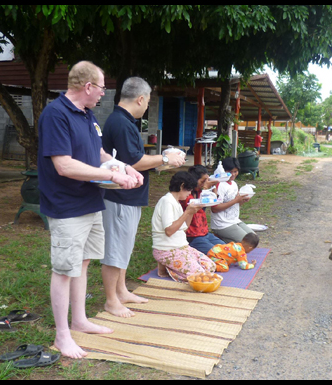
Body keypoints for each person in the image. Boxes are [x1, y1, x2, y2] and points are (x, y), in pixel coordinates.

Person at [37, 61, 144, 359]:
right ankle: (62, 336)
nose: (102, 93)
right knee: (63, 270)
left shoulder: (87, 115)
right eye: (101, 88)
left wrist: (121, 165)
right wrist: (111, 176)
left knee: (82, 263)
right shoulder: (56, 115)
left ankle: (80, 321)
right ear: (87, 87)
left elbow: (96, 152)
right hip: (66, 206)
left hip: (89, 201)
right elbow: (64, 164)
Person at [101, 76, 185, 318]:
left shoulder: (123, 120)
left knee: (124, 247)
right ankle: (111, 301)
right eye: (147, 101)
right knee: (115, 250)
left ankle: (122, 291)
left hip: (128, 196)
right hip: (119, 198)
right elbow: (135, 162)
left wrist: (163, 160)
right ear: (140, 99)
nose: (147, 106)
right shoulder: (122, 123)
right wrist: (166, 158)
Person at [152, 171, 216, 282]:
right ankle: (167, 266)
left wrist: (192, 211)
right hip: (167, 249)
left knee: (210, 266)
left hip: (181, 246)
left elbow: (184, 227)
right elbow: (169, 231)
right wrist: (187, 212)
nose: (189, 193)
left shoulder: (176, 202)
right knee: (199, 275)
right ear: (182, 186)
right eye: (189, 190)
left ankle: (168, 268)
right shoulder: (167, 201)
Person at [179, 165, 224, 255]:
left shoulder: (199, 191)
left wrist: (213, 187)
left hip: (205, 233)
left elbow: (212, 203)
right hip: (193, 236)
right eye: (202, 181)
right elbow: (197, 206)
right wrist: (206, 188)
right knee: (219, 254)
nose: (204, 183)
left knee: (227, 249)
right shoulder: (186, 195)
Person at [210, 157, 256, 243]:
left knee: (254, 238)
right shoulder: (220, 185)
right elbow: (214, 208)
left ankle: (225, 240)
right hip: (221, 224)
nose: (233, 174)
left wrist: (242, 200)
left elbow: (235, 204)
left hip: (234, 220)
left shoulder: (234, 184)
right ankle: (220, 239)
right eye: (230, 172)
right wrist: (236, 200)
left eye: (235, 171)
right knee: (246, 242)